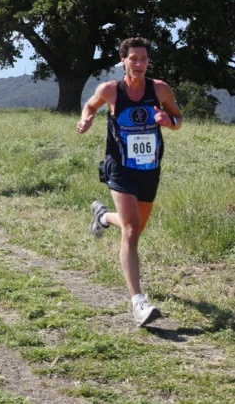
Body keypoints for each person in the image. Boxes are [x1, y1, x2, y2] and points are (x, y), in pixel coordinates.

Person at [76, 36, 182, 327]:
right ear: (123, 61)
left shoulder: (159, 88)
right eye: (133, 59)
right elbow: (89, 106)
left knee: (135, 227)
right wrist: (86, 120)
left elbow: (178, 119)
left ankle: (103, 217)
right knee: (133, 228)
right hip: (119, 166)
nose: (139, 64)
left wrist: (167, 121)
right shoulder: (110, 90)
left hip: (150, 168)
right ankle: (138, 303)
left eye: (143, 59)